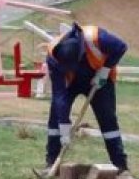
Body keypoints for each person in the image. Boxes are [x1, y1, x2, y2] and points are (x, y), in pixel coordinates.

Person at [45, 23, 129, 171]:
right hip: (70, 83)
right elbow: (60, 96)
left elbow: (121, 47)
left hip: (100, 79)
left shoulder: (97, 37)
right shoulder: (53, 56)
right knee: (55, 118)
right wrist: (64, 127)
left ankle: (120, 165)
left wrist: (105, 69)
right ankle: (52, 162)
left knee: (107, 119)